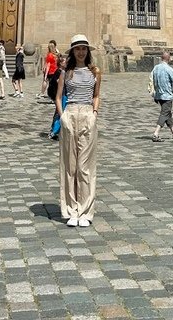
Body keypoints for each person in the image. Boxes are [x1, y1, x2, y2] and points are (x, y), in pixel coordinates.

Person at [56, 35, 101, 227]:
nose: (81, 52)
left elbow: (97, 95)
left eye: (84, 48)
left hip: (87, 115)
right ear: (73, 52)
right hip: (70, 114)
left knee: (85, 166)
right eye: (77, 49)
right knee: (70, 166)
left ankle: (86, 211)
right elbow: (58, 96)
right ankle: (71, 210)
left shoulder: (96, 72)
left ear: (87, 51)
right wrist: (62, 116)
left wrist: (94, 114)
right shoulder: (67, 72)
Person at [151, 50, 173, 142]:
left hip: (158, 95)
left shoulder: (156, 68)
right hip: (167, 96)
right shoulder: (169, 69)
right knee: (164, 113)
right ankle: (156, 134)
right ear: (169, 58)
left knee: (167, 114)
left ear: (162, 58)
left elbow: (152, 81)